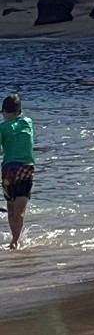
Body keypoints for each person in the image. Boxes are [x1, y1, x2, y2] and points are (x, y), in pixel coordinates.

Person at [1, 94, 34, 251]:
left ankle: (14, 240)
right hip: (26, 167)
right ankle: (16, 240)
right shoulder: (28, 122)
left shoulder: (2, 127)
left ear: (4, 112)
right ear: (20, 110)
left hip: (8, 169)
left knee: (11, 206)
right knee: (20, 207)